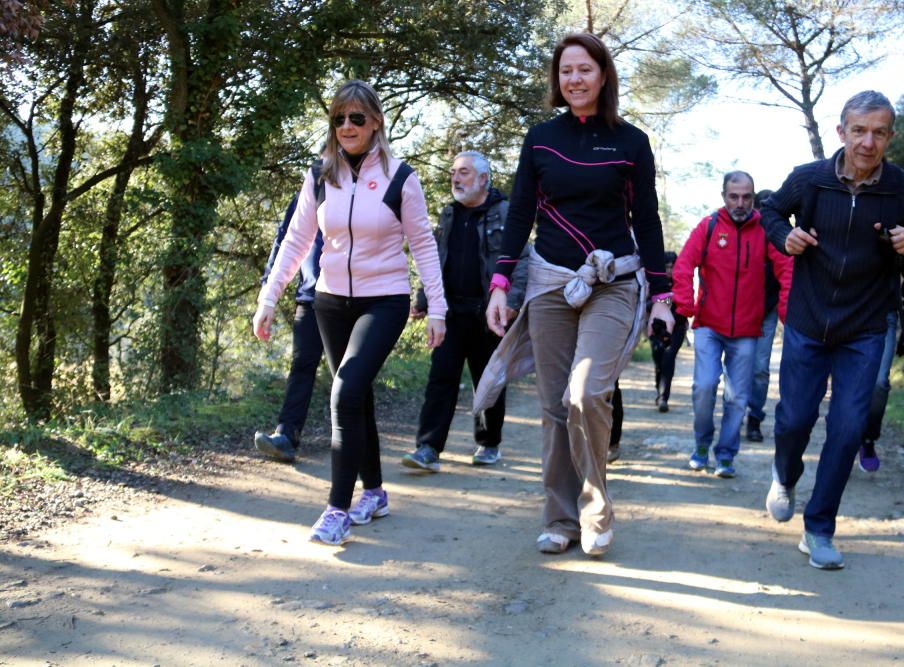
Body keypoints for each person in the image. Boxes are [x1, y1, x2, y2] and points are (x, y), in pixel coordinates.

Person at [479, 33, 674, 558]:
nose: (575, 79)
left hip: (612, 281)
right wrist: (501, 284)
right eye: (566, 71)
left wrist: (662, 295)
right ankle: (561, 520)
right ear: (556, 80)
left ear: (603, 75)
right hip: (548, 283)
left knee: (585, 393)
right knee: (553, 407)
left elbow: (647, 220)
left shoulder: (631, 142)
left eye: (584, 69)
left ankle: (596, 507)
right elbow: (520, 213)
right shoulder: (541, 138)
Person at [253, 80, 447, 547]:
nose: (346, 126)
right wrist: (268, 297)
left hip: (384, 300)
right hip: (330, 301)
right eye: (339, 118)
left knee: (345, 390)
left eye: (356, 118)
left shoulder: (402, 178)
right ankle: (375, 492)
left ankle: (337, 509)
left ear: (375, 122)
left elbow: (422, 244)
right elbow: (297, 239)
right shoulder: (321, 174)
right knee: (355, 397)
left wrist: (436, 307)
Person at [761, 90, 904, 570]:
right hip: (808, 321)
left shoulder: (900, 189)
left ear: (890, 137)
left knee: (848, 427)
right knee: (794, 419)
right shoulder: (810, 180)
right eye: (859, 130)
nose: (867, 142)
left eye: (879, 132)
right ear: (842, 132)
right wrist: (783, 235)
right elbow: (771, 210)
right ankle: (785, 473)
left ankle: (819, 529)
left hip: (865, 326)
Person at [402, 151, 528, 472]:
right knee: (441, 377)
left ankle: (487, 443)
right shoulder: (448, 214)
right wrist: (424, 301)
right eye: (454, 173)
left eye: (464, 173)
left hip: (489, 313)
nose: (456, 179)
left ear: (484, 179)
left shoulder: (506, 213)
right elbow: (433, 259)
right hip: (452, 312)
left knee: (488, 380)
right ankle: (428, 448)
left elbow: (522, 260)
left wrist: (511, 302)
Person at [673, 172, 792, 478]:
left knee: (738, 397)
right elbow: (684, 264)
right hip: (709, 326)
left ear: (754, 198)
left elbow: (786, 267)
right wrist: (685, 306)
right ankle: (701, 445)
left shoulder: (764, 229)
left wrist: (786, 311)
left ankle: (726, 455)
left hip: (747, 331)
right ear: (724, 196)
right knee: (705, 386)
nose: (740, 203)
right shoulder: (709, 226)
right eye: (734, 196)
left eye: (746, 197)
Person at [253, 194, 325, 463]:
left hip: (352, 300)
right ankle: (286, 436)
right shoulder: (305, 197)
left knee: (351, 370)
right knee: (302, 365)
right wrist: (267, 293)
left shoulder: (363, 190)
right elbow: (284, 241)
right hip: (310, 295)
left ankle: (357, 439)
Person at [858, 248, 904, 472]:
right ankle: (842, 439)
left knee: (879, 383)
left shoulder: (899, 219)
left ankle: (868, 439)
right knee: (847, 383)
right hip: (844, 312)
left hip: (884, 315)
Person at [745, 189, 780, 443]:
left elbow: (787, 273)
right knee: (736, 367)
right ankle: (734, 412)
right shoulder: (742, 233)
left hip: (768, 312)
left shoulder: (779, 236)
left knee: (759, 369)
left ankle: (754, 419)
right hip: (739, 311)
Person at [649, 251, 688, 414]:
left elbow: (687, 304)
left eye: (673, 267)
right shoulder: (657, 284)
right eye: (667, 267)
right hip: (658, 328)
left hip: (678, 328)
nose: (670, 270)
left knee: (668, 358)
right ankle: (660, 390)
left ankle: (665, 397)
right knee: (659, 361)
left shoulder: (682, 283)